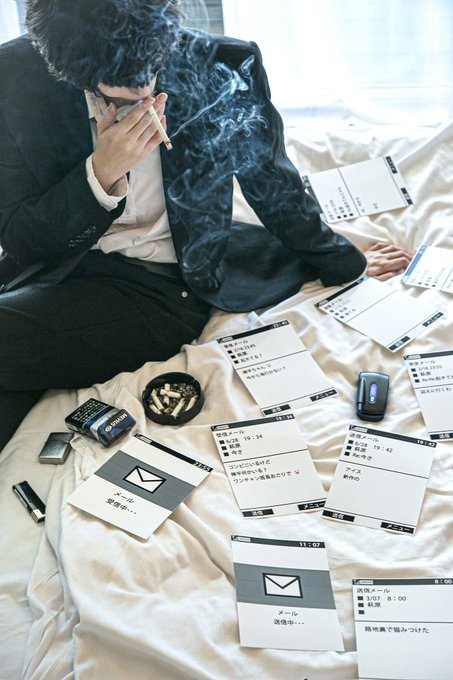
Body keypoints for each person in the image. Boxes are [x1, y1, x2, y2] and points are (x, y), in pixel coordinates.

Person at [0, 0, 412, 451]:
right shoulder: (12, 75)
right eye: (117, 93)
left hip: (160, 286)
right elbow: (21, 239)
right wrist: (101, 173)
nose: (143, 95)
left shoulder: (225, 63)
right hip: (55, 268)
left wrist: (343, 263)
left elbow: (274, 183)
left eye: (152, 73)